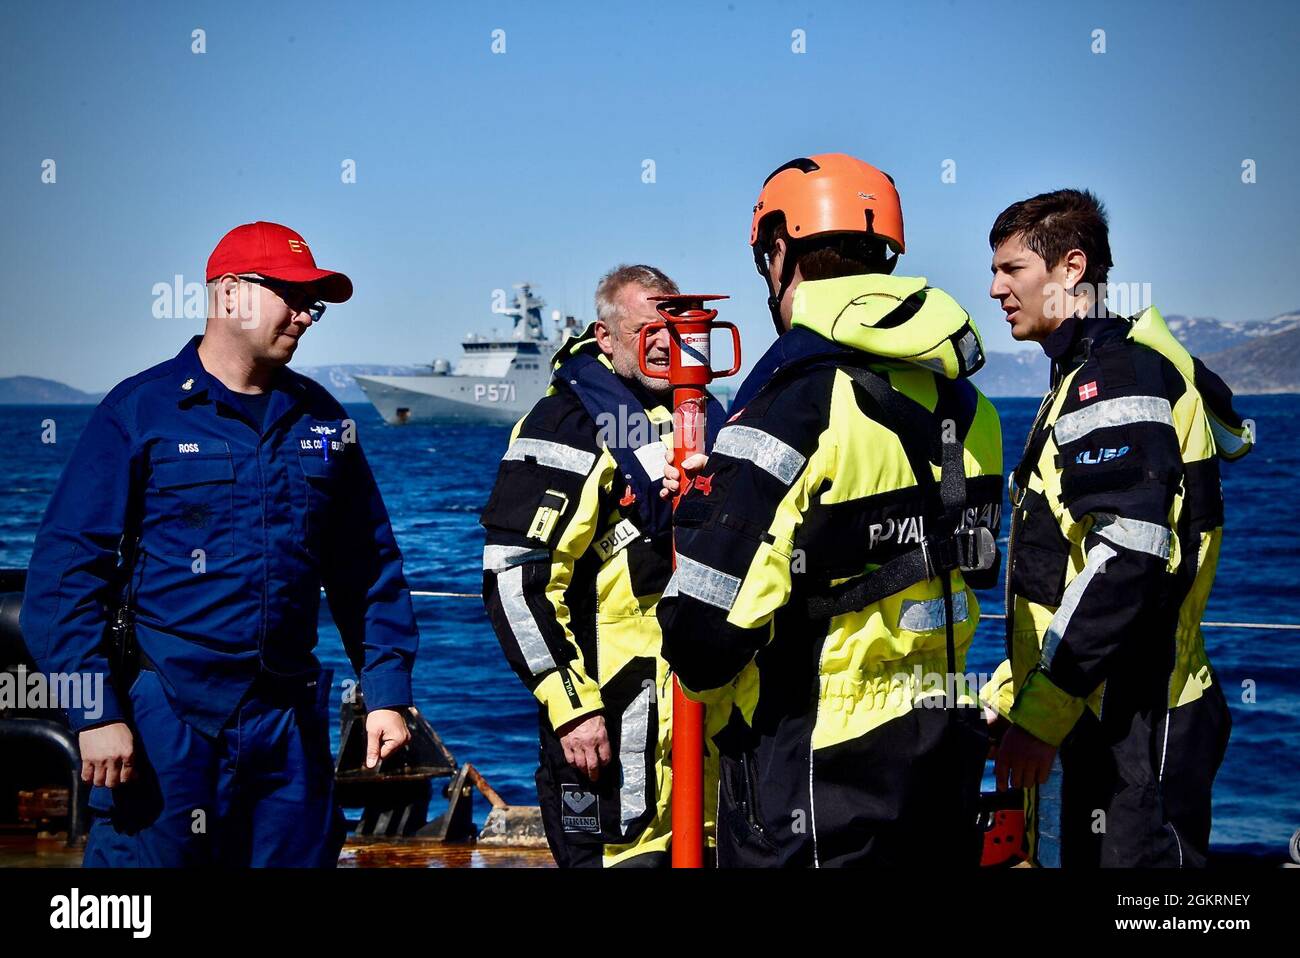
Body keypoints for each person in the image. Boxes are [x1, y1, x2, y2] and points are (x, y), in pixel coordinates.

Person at [21, 220, 418, 867]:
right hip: (167, 722)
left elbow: (367, 567)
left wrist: (388, 694)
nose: (305, 315)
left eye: (312, 302)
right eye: (290, 295)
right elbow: (65, 578)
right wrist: (94, 713)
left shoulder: (325, 423)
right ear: (229, 294)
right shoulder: (140, 413)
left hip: (287, 728)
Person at [657, 153, 1004, 867]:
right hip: (943, 748)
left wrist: (704, 513)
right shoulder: (974, 409)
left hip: (816, 768)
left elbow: (701, 642)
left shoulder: (793, 406)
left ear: (779, 252)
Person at [983, 189, 1249, 867]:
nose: (995, 289)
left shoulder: (1116, 379)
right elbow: (1065, 566)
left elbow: (1125, 562)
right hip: (1097, 707)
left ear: (1071, 269)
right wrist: (1014, 696)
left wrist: (1040, 718)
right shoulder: (1085, 374)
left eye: (1011, 270)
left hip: (1138, 717)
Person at [480, 265, 725, 867]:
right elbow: (517, 576)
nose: (665, 343)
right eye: (646, 330)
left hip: (706, 749)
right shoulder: (565, 424)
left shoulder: (710, 420)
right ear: (605, 336)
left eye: (673, 326)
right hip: (608, 735)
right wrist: (571, 706)